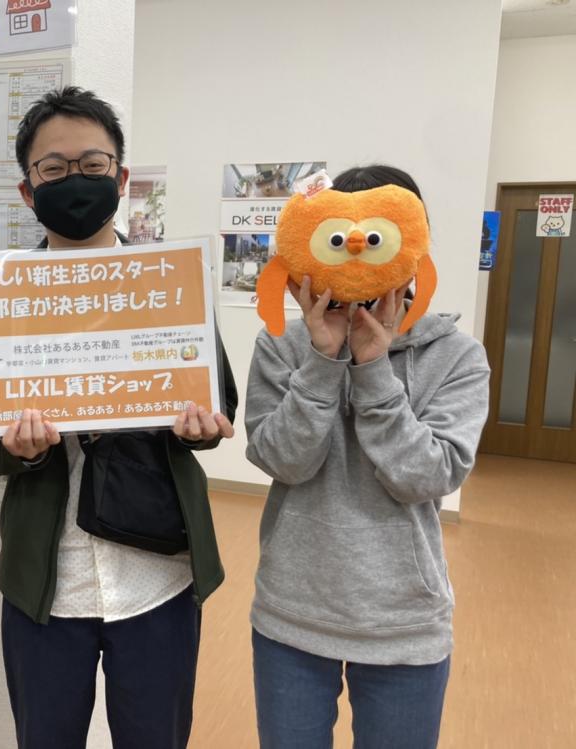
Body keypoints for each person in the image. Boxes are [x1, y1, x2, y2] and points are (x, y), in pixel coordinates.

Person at [0, 86, 238, 749]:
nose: (75, 180)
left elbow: (219, 399)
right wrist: (20, 448)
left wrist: (204, 426)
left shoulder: (170, 281)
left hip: (157, 576)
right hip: (46, 580)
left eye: (92, 165)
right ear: (28, 190)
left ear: (120, 177)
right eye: (53, 169)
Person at [244, 165, 491, 748]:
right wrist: (323, 361)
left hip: (403, 621)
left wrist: (374, 370)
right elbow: (282, 460)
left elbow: (429, 475)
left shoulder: (456, 356)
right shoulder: (281, 343)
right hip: (293, 612)